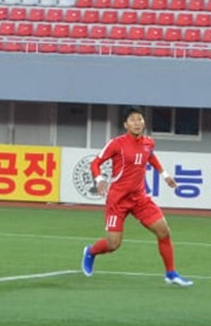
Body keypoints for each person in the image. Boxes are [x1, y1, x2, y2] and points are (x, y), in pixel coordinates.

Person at [81, 106, 193, 287]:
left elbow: (150, 157)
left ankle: (171, 274)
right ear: (126, 124)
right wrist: (100, 178)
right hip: (118, 200)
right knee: (113, 244)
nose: (137, 123)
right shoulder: (116, 143)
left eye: (140, 119)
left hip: (139, 198)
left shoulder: (149, 142)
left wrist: (165, 175)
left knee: (163, 231)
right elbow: (96, 162)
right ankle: (91, 252)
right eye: (132, 119)